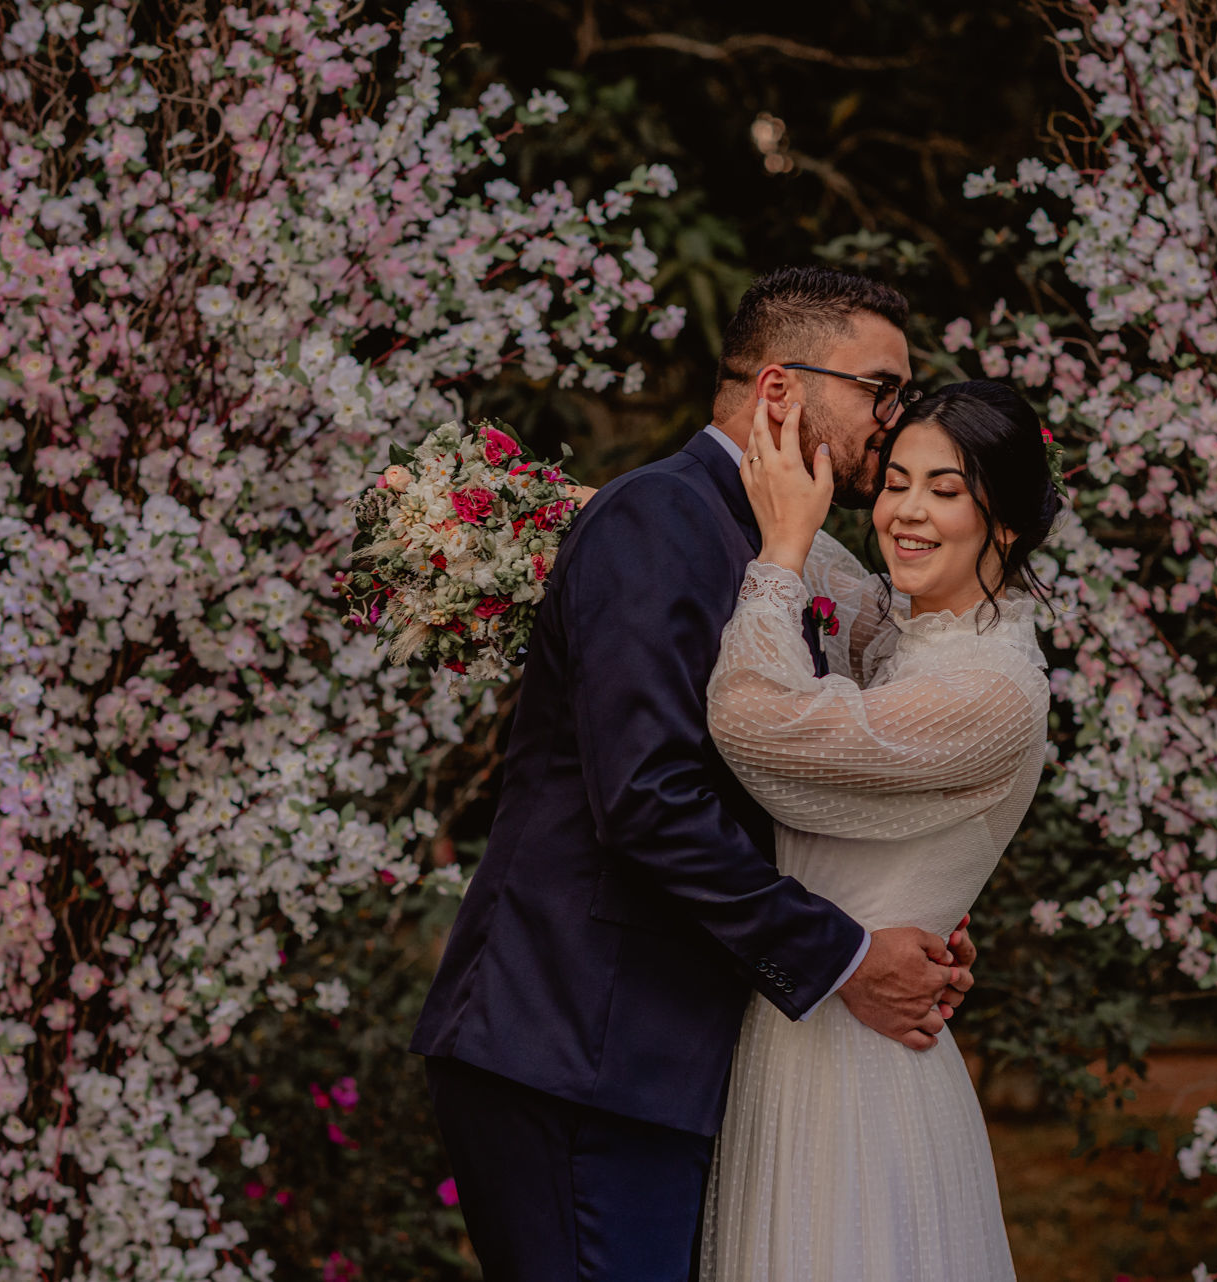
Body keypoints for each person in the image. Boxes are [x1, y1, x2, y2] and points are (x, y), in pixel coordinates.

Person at [408, 267, 978, 1281]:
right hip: (578, 1048)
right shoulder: (662, 519)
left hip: (648, 1058)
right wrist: (846, 956)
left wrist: (898, 905)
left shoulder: (778, 550)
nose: (898, 421)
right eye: (879, 390)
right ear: (778, 391)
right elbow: (649, 799)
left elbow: (766, 782)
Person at [699, 379, 1061, 1281]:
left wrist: (779, 556)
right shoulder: (901, 633)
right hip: (792, 1034)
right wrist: (500, 507)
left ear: (1004, 521)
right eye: (896, 481)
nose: (906, 511)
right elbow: (739, 522)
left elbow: (755, 718)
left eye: (946, 489)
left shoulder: (991, 692)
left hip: (862, 1067)